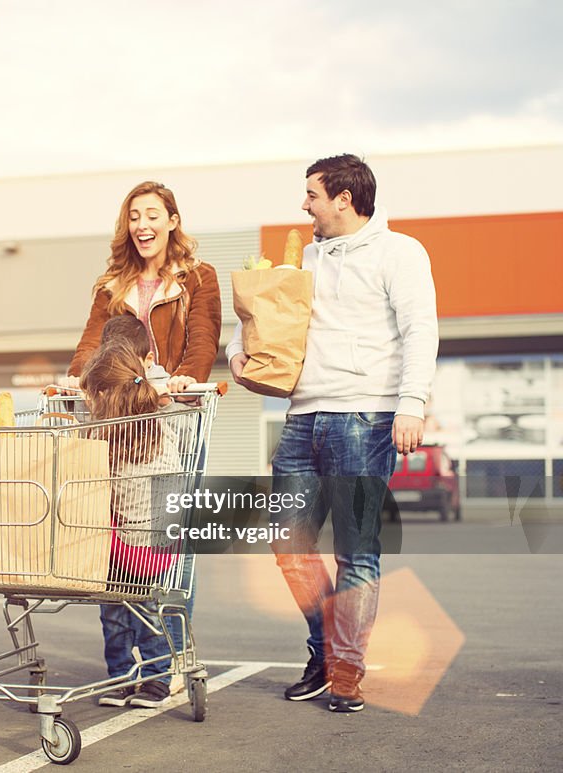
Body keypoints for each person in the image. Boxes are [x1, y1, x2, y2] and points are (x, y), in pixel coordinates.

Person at [226, 154, 438, 712]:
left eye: (312, 195)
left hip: (365, 418)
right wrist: (235, 353)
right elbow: (263, 321)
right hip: (301, 418)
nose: (304, 205)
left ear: (344, 198)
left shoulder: (401, 253)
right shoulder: (306, 261)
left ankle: (346, 670)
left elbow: (421, 330)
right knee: (289, 545)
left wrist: (411, 403)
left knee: (356, 553)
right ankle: (325, 652)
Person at [80, 339, 187, 709]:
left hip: (129, 545)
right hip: (159, 544)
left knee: (115, 607)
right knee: (147, 605)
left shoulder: (105, 433)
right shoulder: (159, 418)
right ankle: (154, 678)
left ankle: (124, 675)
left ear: (106, 395)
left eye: (94, 395)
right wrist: (165, 390)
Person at [65, 181, 222, 393]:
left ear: (172, 222)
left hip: (172, 401)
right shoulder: (112, 284)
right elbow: (92, 342)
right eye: (134, 218)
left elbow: (203, 338)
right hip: (122, 401)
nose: (141, 225)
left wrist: (187, 376)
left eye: (152, 216)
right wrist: (77, 375)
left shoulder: (198, 276)